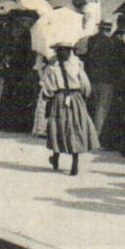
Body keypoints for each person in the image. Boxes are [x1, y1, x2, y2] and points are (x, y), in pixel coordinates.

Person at [37, 42, 99, 176]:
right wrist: (84, 96)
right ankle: (74, 163)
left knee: (58, 126)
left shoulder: (53, 69)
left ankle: (56, 157)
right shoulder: (77, 66)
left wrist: (47, 97)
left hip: (59, 98)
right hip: (75, 98)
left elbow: (48, 89)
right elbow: (85, 85)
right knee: (75, 127)